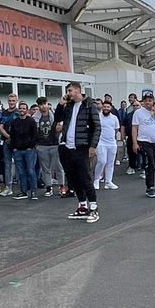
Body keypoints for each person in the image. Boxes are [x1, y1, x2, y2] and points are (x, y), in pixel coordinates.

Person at [60, 82, 101, 222]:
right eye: (68, 91)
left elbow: (97, 127)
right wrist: (61, 104)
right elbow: (59, 118)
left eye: (70, 90)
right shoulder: (70, 106)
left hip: (82, 146)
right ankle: (82, 206)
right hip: (68, 147)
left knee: (85, 178)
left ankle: (94, 208)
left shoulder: (89, 105)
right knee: (74, 178)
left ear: (78, 90)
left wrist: (93, 146)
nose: (69, 93)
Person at [131, 92, 155, 199]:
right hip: (143, 141)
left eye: (150, 100)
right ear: (143, 102)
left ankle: (152, 186)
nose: (148, 103)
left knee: (154, 163)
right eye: (146, 100)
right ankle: (149, 188)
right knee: (150, 162)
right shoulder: (138, 113)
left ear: (153, 102)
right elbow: (134, 128)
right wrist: (134, 143)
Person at [7, 102, 39, 200]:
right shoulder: (14, 122)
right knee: (21, 172)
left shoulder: (31, 121)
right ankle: (23, 191)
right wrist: (14, 148)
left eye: (24, 108)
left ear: (27, 110)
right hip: (18, 151)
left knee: (30, 170)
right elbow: (12, 135)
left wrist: (31, 146)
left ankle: (34, 192)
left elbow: (35, 135)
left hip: (29, 150)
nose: (22, 110)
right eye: (20, 108)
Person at [34, 98, 65, 197]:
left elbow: (61, 126)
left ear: (48, 104)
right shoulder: (35, 117)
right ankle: (48, 187)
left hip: (55, 144)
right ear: (38, 106)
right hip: (42, 145)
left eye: (45, 104)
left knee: (58, 166)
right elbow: (34, 132)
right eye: (41, 104)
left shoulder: (55, 115)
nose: (43, 106)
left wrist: (59, 129)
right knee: (45, 168)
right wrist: (37, 145)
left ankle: (62, 186)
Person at [93, 100, 122, 188]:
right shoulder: (98, 117)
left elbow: (116, 129)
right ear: (102, 107)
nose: (106, 108)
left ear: (111, 108)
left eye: (108, 107)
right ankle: (96, 179)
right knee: (102, 161)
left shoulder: (114, 118)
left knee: (110, 163)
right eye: (104, 106)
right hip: (101, 143)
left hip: (112, 143)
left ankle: (108, 182)